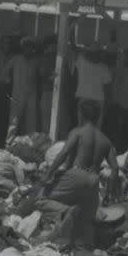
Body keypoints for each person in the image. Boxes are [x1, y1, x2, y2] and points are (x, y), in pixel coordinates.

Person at [45, 99, 119, 248]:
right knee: (85, 218)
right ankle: (80, 243)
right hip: (93, 180)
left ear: (81, 115)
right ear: (98, 117)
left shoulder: (77, 131)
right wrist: (109, 194)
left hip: (77, 173)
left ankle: (64, 216)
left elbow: (64, 153)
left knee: (40, 196)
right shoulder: (106, 140)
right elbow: (115, 169)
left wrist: (47, 175)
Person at [5, 38, 40, 142]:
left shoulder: (36, 61)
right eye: (26, 46)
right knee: (14, 120)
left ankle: (29, 145)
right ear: (23, 48)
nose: (28, 49)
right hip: (17, 94)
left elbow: (39, 76)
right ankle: (9, 143)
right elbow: (5, 72)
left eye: (30, 47)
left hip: (32, 94)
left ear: (33, 49)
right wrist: (9, 83)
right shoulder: (16, 59)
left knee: (31, 121)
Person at [73, 45, 113, 128]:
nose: (95, 55)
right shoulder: (104, 68)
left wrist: (105, 108)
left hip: (92, 101)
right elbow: (108, 91)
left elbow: (108, 91)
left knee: (87, 128)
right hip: (92, 101)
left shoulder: (82, 61)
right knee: (89, 128)